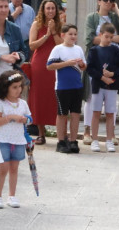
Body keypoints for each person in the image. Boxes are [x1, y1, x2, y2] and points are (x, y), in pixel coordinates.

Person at [0, 70, 31, 209]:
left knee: (14, 168)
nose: (18, 90)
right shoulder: (0, 103)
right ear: (5, 87)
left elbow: (30, 118)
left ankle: (12, 195)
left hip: (18, 140)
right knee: (3, 168)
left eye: (20, 86)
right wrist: (10, 117)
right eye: (14, 87)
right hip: (3, 140)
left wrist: (26, 119)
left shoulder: (23, 104)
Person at [86, 23, 119, 153]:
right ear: (100, 35)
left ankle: (109, 140)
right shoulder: (94, 50)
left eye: (111, 37)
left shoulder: (116, 51)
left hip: (112, 86)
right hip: (98, 85)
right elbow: (90, 68)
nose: (109, 39)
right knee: (96, 112)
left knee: (110, 113)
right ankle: (95, 140)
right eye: (107, 36)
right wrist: (103, 77)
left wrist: (113, 74)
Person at [28, 0, 62, 145]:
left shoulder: (61, 25)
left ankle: (61, 133)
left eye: (53, 8)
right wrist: (46, 35)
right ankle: (41, 133)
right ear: (43, 10)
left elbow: (63, 44)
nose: (50, 11)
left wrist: (54, 32)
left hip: (56, 64)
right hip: (40, 64)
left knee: (56, 97)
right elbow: (31, 45)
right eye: (47, 8)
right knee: (39, 97)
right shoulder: (36, 24)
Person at [47, 24, 86, 154]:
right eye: (70, 34)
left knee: (75, 114)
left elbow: (83, 67)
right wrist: (67, 63)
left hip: (77, 86)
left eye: (75, 34)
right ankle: (61, 141)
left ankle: (73, 141)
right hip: (62, 87)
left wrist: (81, 64)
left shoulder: (79, 49)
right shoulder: (58, 49)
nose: (73, 36)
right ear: (63, 35)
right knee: (62, 114)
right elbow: (50, 66)